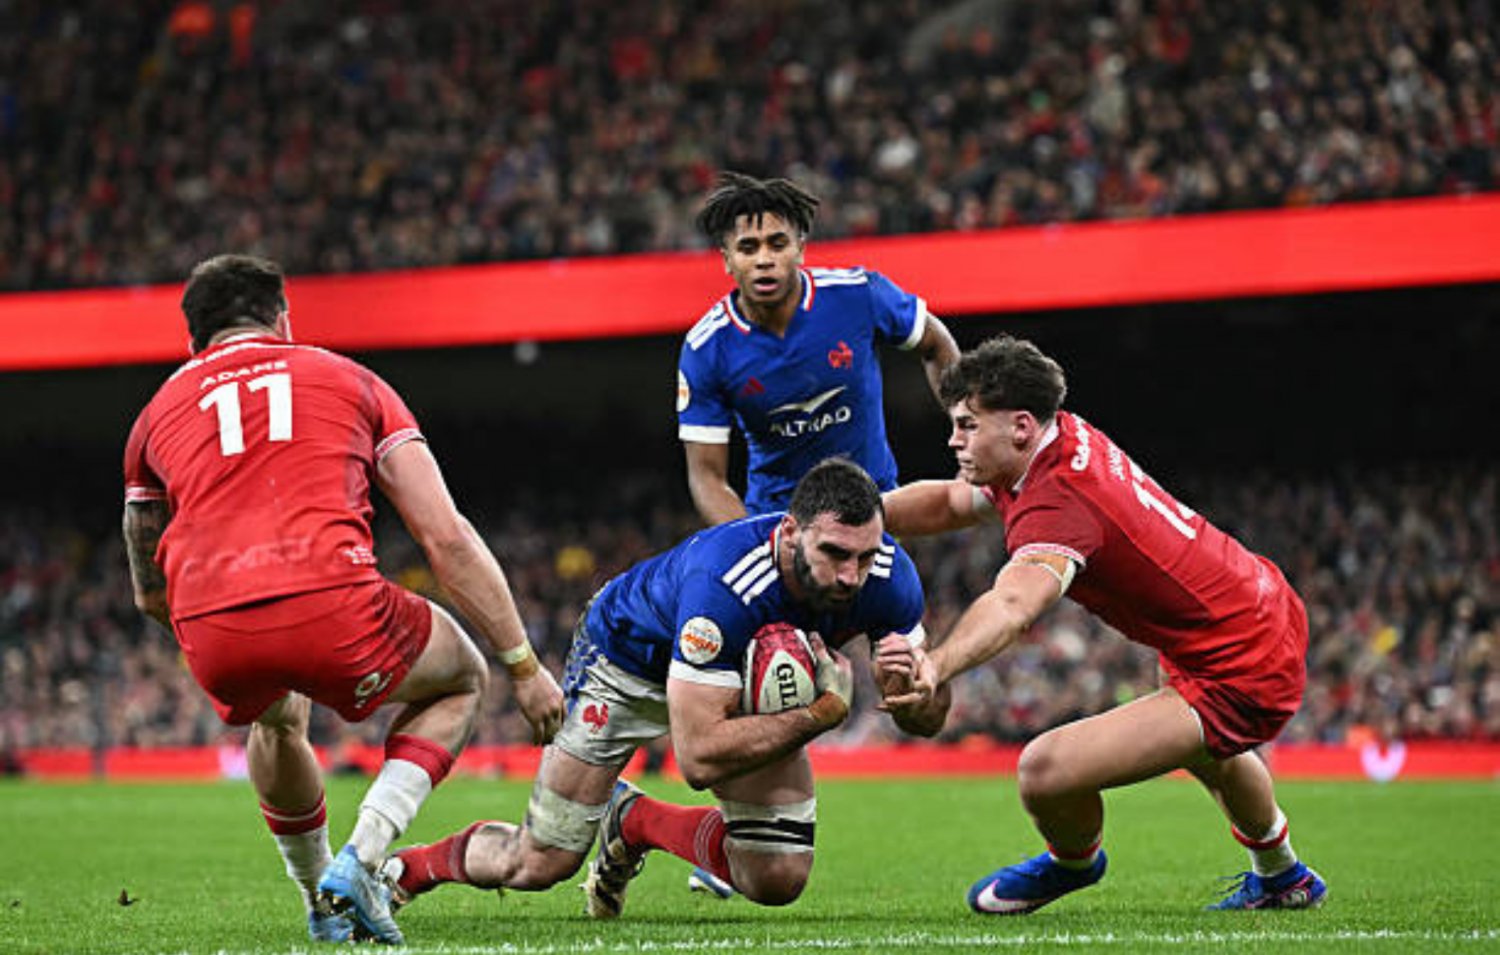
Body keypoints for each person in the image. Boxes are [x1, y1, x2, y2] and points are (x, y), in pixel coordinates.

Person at [121, 254, 565, 944]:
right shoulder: (350, 379)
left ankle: (318, 898)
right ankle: (363, 857)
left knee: (274, 721)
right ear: (282, 319)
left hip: (211, 622)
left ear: (193, 340)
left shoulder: (153, 417)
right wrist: (523, 666)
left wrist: (227, 629)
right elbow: (445, 538)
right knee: (461, 677)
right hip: (332, 599)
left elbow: (148, 587)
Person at [878, 335, 1327, 914]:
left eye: (967, 425)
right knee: (1210, 754)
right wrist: (857, 516)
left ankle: (1073, 862)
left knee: (1044, 772)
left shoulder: (1060, 500)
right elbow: (949, 504)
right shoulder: (1055, 438)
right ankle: (1283, 876)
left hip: (1240, 657)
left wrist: (935, 664)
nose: (953, 439)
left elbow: (1013, 605)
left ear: (1020, 427)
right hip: (1242, 603)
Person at [384, 459, 950, 917]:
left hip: (733, 677)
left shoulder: (888, 579)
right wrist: (821, 713)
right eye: (834, 554)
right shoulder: (724, 587)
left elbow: (928, 720)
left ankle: (635, 820)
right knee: (538, 863)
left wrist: (913, 690)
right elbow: (698, 757)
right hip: (626, 663)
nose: (851, 575)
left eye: (865, 556)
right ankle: (407, 868)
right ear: (789, 533)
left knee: (777, 876)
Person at [678, 172, 960, 525]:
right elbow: (707, 477)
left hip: (873, 512)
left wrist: (967, 429)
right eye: (748, 248)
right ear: (727, 260)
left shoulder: (859, 294)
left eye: (777, 244)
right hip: (781, 524)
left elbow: (935, 343)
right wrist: (755, 542)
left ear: (800, 248)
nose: (764, 259)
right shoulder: (705, 348)